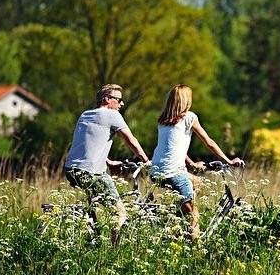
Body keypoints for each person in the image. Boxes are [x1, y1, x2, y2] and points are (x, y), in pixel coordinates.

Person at [150, 84, 244, 241]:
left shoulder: (163, 121)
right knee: (194, 214)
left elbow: (172, 147)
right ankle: (196, 249)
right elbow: (208, 142)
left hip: (156, 171)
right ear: (187, 101)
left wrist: (191, 163)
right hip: (174, 173)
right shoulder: (189, 117)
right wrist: (228, 160)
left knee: (197, 182)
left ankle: (178, 218)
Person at [64, 84, 150, 246]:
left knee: (92, 210)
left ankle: (92, 243)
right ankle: (113, 252)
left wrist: (109, 162)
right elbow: (131, 141)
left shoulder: (85, 114)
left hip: (71, 169)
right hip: (91, 173)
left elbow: (88, 144)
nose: (121, 104)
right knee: (120, 213)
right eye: (118, 100)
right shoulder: (112, 115)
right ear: (106, 100)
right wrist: (146, 161)